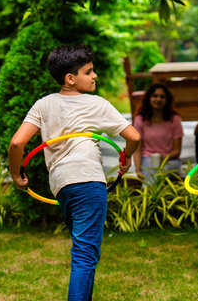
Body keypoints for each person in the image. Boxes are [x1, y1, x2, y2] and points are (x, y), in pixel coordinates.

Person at [8, 45, 141, 301]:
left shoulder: (43, 104)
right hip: (88, 181)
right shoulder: (97, 105)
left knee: (85, 252)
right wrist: (126, 158)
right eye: (89, 71)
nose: (95, 76)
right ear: (71, 78)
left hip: (62, 185)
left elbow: (16, 144)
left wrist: (16, 175)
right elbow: (133, 136)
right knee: (84, 256)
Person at [133, 83, 184, 179]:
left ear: (167, 100)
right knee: (152, 169)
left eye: (162, 97)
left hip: (170, 159)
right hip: (148, 158)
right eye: (155, 96)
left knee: (161, 170)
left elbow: (177, 150)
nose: (158, 99)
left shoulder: (175, 119)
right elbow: (137, 150)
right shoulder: (140, 119)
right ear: (149, 98)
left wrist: (163, 158)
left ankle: (148, 193)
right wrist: (138, 170)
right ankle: (151, 192)